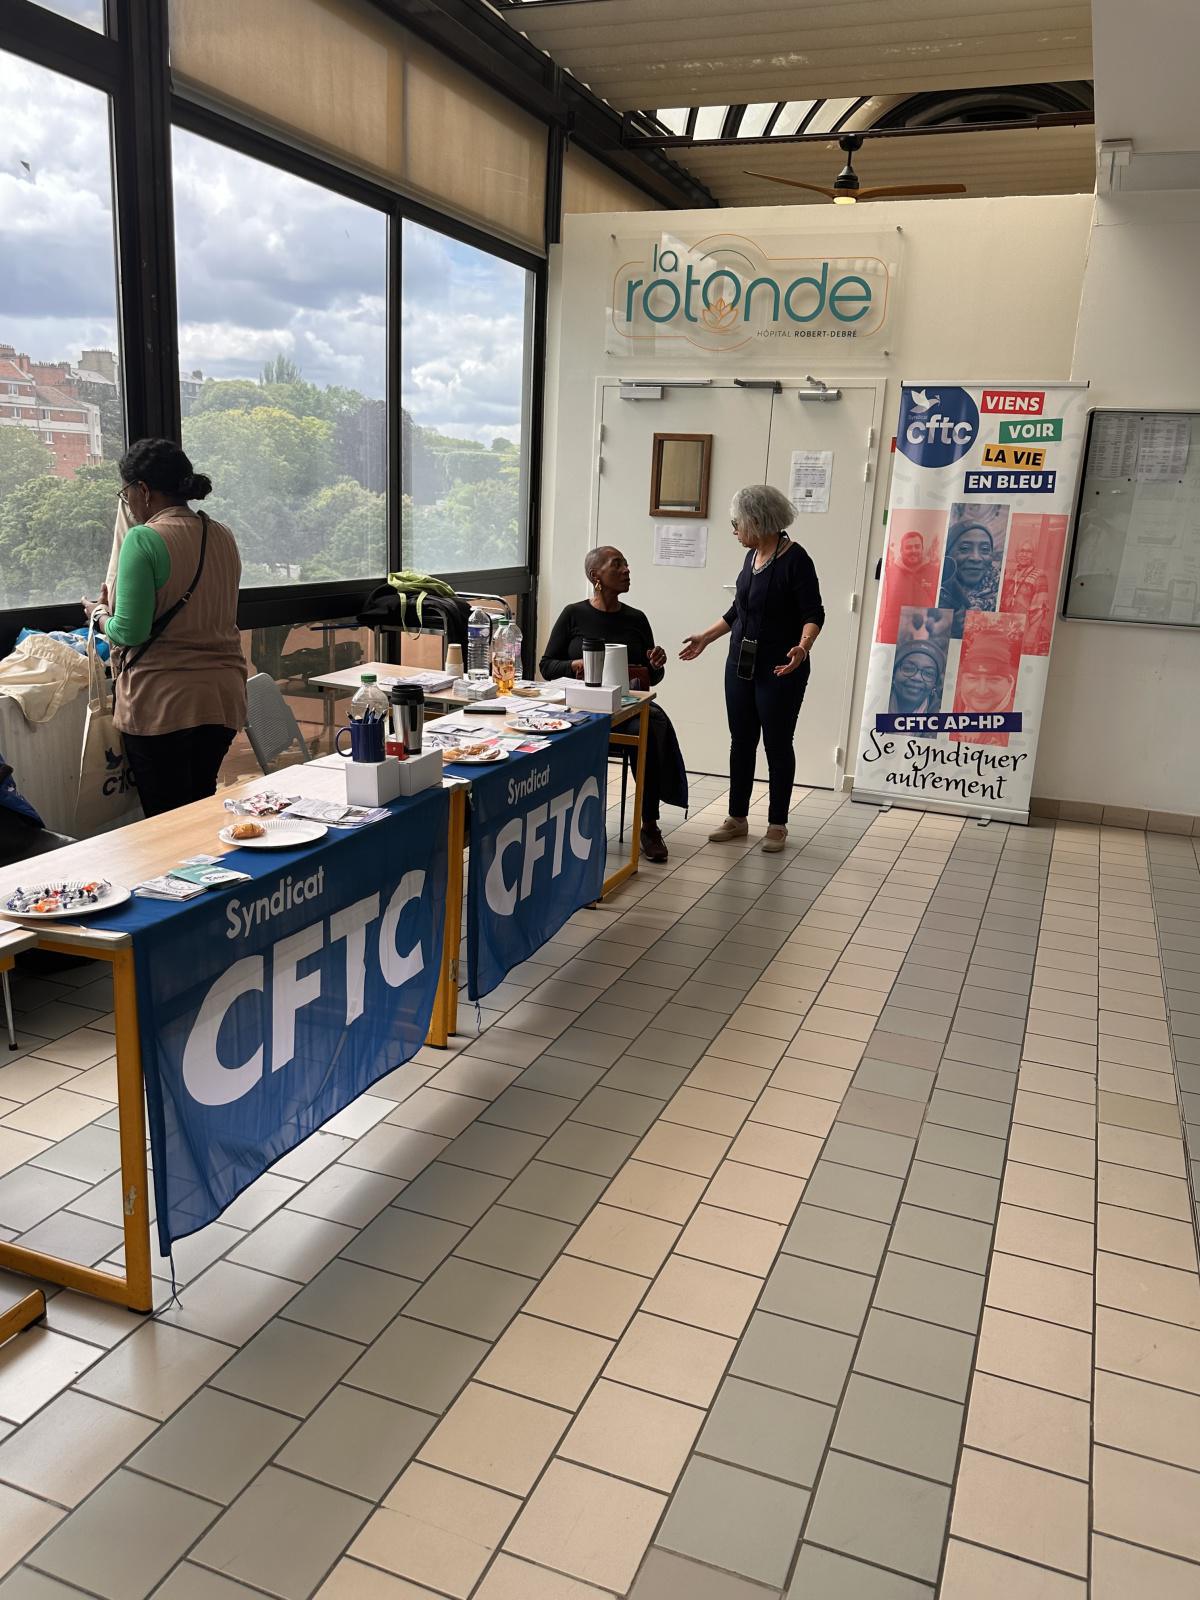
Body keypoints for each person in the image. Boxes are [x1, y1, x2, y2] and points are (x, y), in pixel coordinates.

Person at [82, 439, 247, 818]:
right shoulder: (221, 534)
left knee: (165, 820)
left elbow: (130, 631)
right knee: (200, 805)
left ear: (142, 490)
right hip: (221, 698)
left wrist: (98, 613)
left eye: (126, 493)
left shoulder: (145, 539)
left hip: (163, 704)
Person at [680, 485, 824, 853]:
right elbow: (739, 610)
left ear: (758, 522)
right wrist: (706, 638)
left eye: (737, 523)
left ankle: (777, 824)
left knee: (777, 744)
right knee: (741, 741)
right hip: (740, 664)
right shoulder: (753, 556)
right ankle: (737, 817)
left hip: (780, 667)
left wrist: (802, 648)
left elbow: (813, 613)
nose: (734, 530)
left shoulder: (796, 559)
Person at [540, 545, 686, 863]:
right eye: (617, 565)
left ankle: (649, 824)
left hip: (625, 707)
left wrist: (656, 664)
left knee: (652, 725)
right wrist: (577, 665)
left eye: (626, 564)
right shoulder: (573, 614)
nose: (626, 570)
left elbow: (651, 676)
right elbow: (547, 666)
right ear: (596, 576)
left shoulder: (636, 619)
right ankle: (573, 823)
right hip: (582, 707)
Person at [877, 526, 941, 642]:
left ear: (922, 548)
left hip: (925, 638)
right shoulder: (889, 574)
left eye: (917, 547)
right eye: (909, 547)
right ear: (901, 550)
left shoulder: (935, 572)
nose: (913, 551)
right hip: (893, 639)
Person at [938, 519, 1000, 635]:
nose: (976, 558)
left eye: (985, 550)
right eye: (965, 548)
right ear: (947, 553)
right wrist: (950, 630)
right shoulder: (933, 592)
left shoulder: (1006, 594)